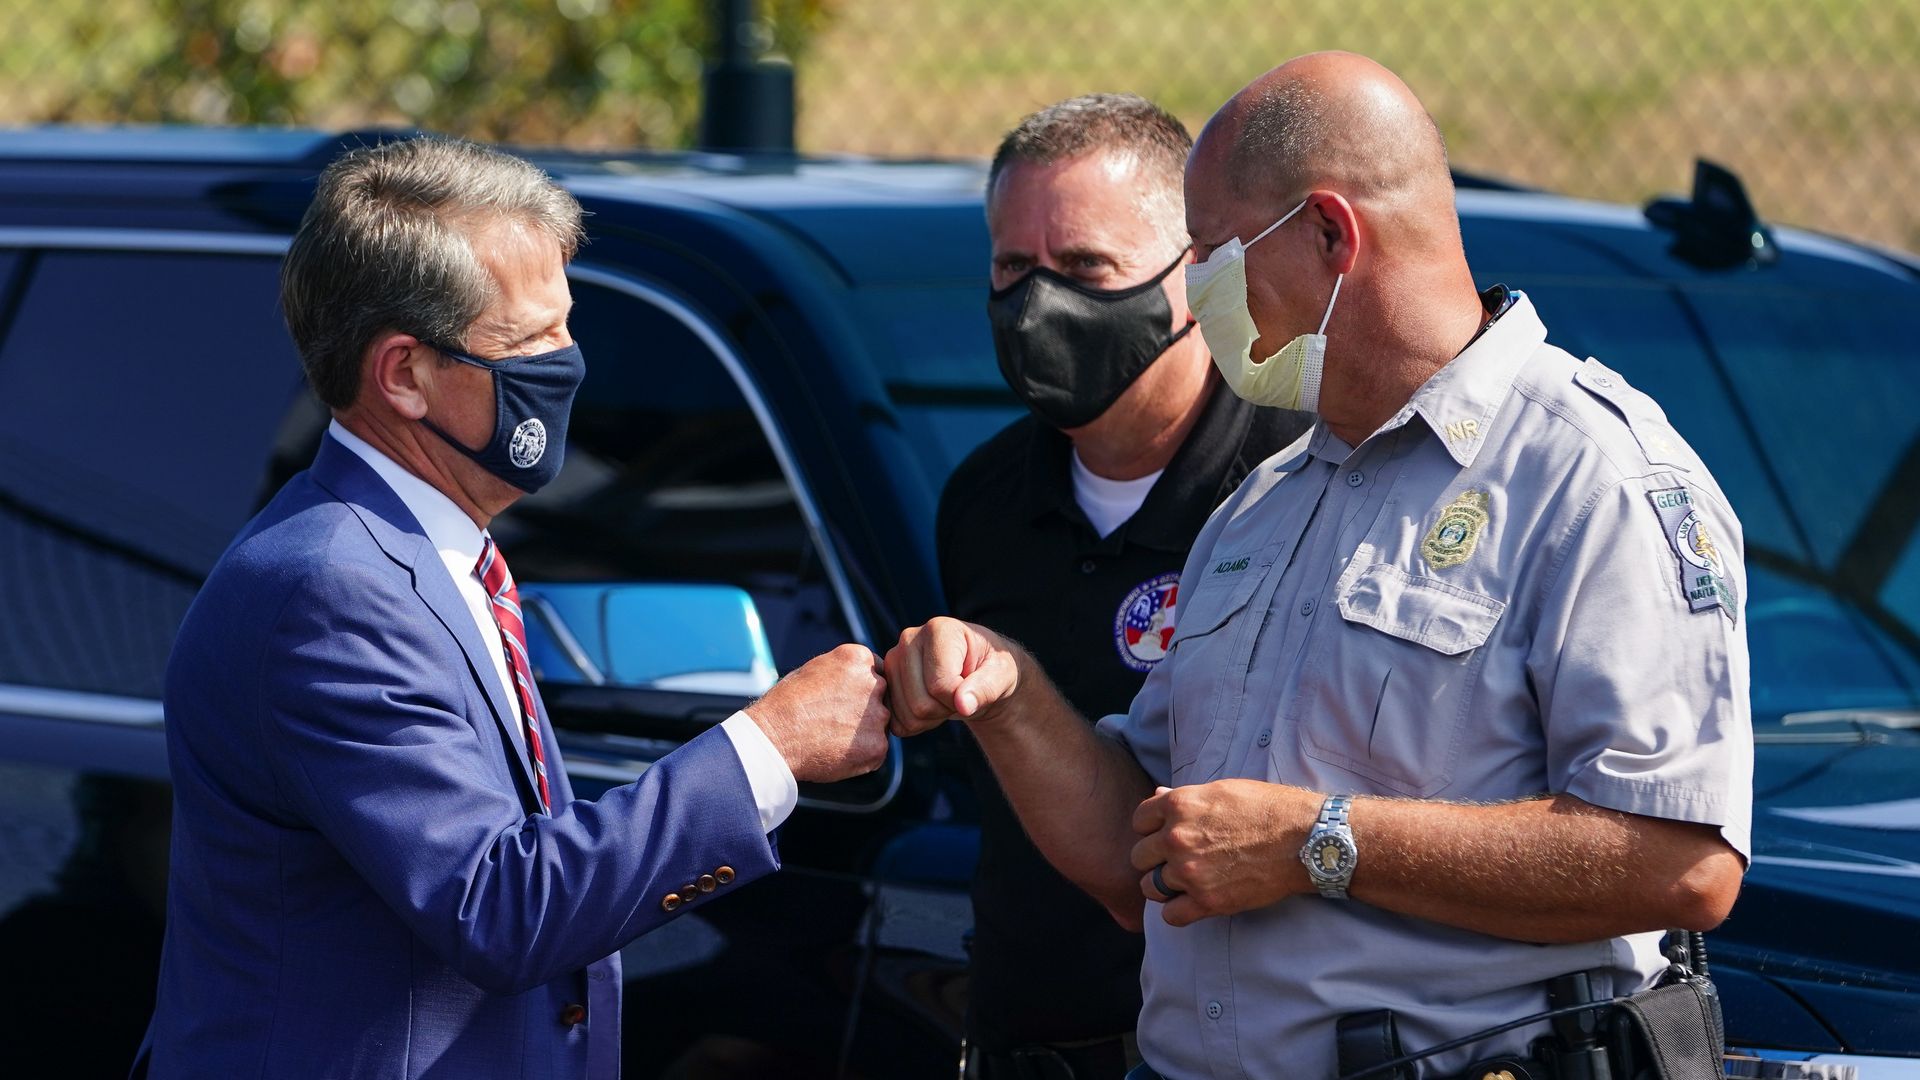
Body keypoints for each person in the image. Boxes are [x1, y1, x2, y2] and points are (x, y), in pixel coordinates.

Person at [888, 52, 1750, 1080]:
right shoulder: (1271, 500)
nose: (1199, 293)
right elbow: (1151, 841)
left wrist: (1319, 843)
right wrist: (1010, 690)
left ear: (1333, 236)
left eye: (1209, 253)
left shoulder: (1588, 478)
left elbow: (1682, 862)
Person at [135, 136, 890, 1079]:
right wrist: (771, 746)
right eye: (527, 341)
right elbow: (501, 905)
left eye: (565, 327)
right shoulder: (329, 590)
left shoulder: (430, 549)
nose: (566, 364)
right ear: (404, 373)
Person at [945, 93, 1310, 1080]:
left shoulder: (1303, 486)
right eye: (1014, 268)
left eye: (1081, 269)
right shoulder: (984, 502)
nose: (1037, 305)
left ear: (1190, 271)